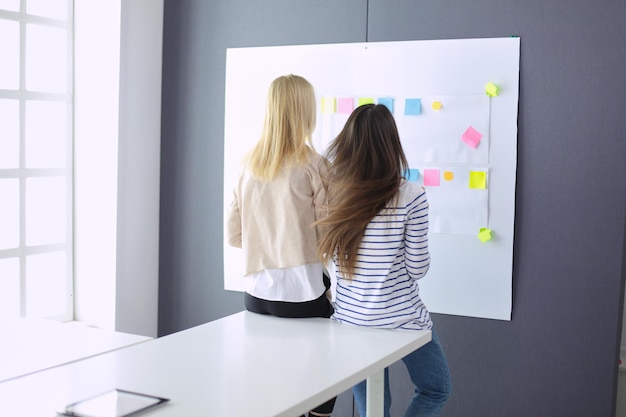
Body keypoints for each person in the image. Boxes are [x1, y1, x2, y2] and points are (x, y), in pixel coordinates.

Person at [316, 104, 451, 417]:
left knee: (375, 409)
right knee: (436, 389)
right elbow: (418, 268)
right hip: (402, 321)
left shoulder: (334, 195)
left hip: (351, 323)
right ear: (392, 143)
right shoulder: (411, 195)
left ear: (348, 145)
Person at [226, 74, 335, 417]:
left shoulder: (247, 164)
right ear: (305, 112)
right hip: (303, 294)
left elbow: (233, 235)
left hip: (257, 294)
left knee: (271, 386)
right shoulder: (315, 166)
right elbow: (329, 235)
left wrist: (268, 246)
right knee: (323, 384)